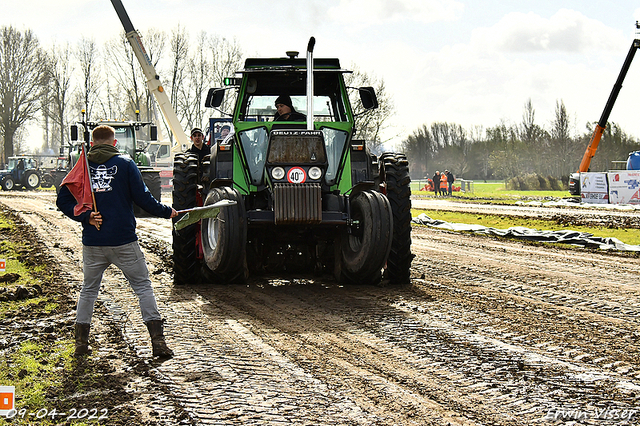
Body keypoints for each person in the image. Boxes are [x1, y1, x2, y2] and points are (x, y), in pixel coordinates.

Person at [57, 125, 178, 358]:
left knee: (88, 291)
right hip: (123, 240)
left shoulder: (82, 166)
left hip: (93, 242)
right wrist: (166, 212)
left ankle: (80, 344)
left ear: (92, 144)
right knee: (143, 287)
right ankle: (158, 343)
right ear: (114, 143)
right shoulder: (125, 164)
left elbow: (62, 200)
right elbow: (143, 198)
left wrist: (85, 216)